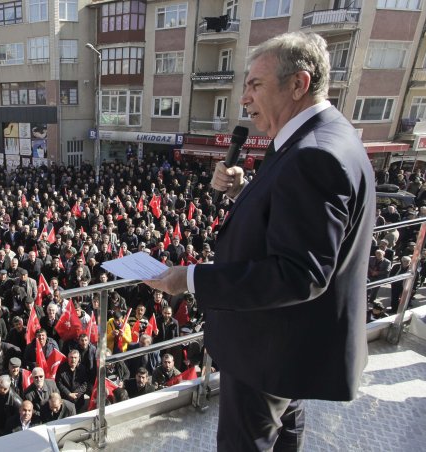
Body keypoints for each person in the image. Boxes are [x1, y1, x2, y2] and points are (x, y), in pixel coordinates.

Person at [145, 32, 375, 451]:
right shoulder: (324, 136)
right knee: (287, 432)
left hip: (269, 346)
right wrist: (243, 190)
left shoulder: (314, 154)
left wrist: (191, 279)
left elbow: (299, 272)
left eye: (255, 85)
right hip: (290, 343)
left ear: (298, 84)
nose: (244, 99)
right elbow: (296, 223)